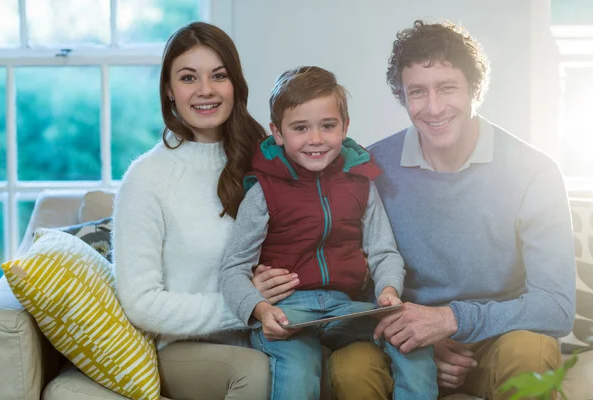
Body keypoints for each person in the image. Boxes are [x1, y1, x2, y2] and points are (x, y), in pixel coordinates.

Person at [326, 19, 576, 400]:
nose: (434, 107)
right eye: (418, 92)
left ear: (475, 89)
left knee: (532, 350)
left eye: (447, 88)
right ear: (402, 97)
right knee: (349, 367)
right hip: (405, 341)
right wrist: (417, 341)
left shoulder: (534, 172)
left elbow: (556, 307)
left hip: (497, 339)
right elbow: (352, 284)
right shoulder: (372, 167)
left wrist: (450, 321)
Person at [220, 66, 438, 400]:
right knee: (300, 369)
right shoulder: (263, 191)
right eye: (300, 128)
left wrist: (389, 291)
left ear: (345, 127)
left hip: (345, 307)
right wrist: (261, 311)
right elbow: (233, 268)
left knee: (409, 337)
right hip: (287, 312)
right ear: (277, 133)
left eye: (328, 126)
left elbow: (383, 252)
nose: (316, 139)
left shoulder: (360, 182)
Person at [112, 21, 275, 400]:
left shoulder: (266, 159)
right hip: (187, 350)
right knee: (256, 371)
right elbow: (141, 303)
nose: (206, 90)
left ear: (235, 83)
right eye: (189, 78)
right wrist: (245, 306)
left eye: (218, 75)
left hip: (271, 330)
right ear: (169, 90)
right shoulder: (146, 179)